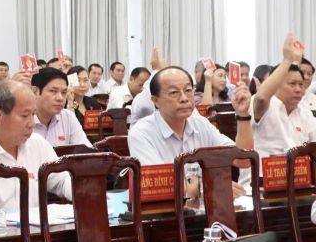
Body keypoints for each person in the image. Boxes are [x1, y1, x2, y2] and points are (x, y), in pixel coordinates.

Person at [0, 81, 72, 216]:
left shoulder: (38, 144)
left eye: (33, 114)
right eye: (25, 115)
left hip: (35, 228)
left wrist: (84, 191)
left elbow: (62, 181)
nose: (32, 124)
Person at [127, 66, 253, 169]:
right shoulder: (141, 133)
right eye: (174, 92)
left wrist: (242, 114)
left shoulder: (201, 124)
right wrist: (209, 185)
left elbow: (243, 161)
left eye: (188, 90)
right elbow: (161, 184)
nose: (184, 98)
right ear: (156, 101)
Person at [252, 35, 316, 164]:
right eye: (292, 84)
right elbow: (261, 97)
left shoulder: (305, 113)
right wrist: (287, 60)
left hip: (299, 174)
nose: (298, 89)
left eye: (301, 85)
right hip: (265, 174)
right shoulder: (266, 106)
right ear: (276, 85)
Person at [31, 68, 91, 147]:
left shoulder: (68, 117)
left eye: (64, 92)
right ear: (35, 92)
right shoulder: (21, 120)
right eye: (53, 91)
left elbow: (86, 150)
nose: (60, 98)